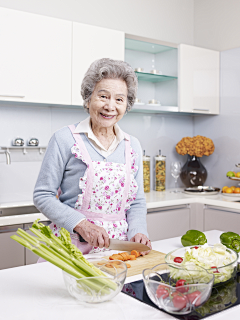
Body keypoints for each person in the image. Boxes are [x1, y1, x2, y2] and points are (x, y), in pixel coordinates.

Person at [33, 58, 151, 255]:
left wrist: (138, 231)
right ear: (88, 98)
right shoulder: (64, 139)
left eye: (119, 99)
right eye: (103, 96)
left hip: (118, 250)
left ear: (126, 105)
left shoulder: (133, 146)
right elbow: (42, 195)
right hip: (72, 247)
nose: (110, 106)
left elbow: (137, 201)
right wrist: (82, 225)